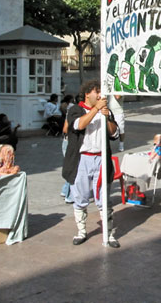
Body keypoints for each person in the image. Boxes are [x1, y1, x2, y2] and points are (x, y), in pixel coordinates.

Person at [62, 80, 120, 248]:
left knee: (104, 198)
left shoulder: (105, 111)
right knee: (80, 197)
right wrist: (95, 110)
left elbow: (114, 133)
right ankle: (81, 231)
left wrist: (107, 116)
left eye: (102, 92)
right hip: (81, 160)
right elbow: (77, 125)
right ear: (88, 94)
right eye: (97, 91)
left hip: (101, 158)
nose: (101, 95)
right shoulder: (75, 109)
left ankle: (108, 235)